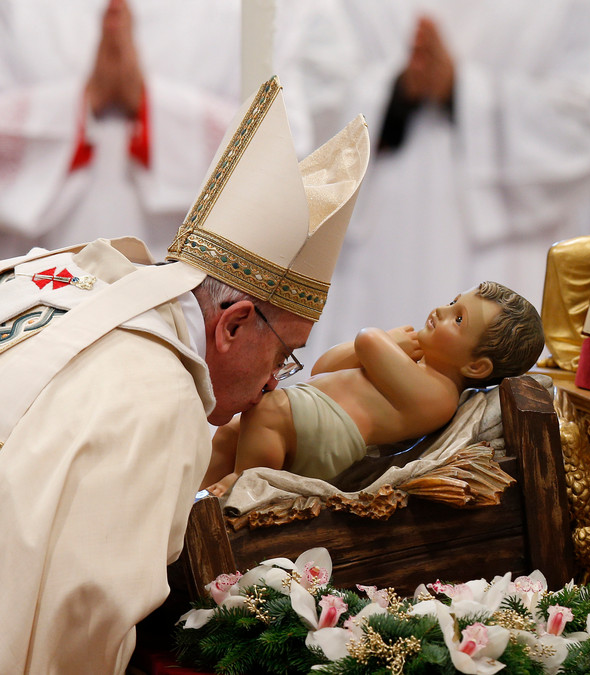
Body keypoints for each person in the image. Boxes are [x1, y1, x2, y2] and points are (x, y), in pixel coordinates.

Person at [0, 76, 370, 672]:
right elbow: (85, 613)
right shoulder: (161, 401)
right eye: (282, 356)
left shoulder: (68, 277)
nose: (274, 385)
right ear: (233, 323)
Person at [298, 0, 590, 366]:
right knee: (349, 391)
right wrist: (394, 93)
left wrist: (462, 89)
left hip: (508, 252)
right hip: (377, 242)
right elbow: (301, 87)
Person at [0, 0, 345, 259]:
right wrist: (83, 103)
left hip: (185, 271)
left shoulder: (251, 9)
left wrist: (150, 107)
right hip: (37, 265)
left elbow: (286, 146)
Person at [203, 281, 545, 495]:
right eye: (453, 302)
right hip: (310, 415)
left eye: (458, 319)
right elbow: (325, 366)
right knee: (231, 431)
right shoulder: (414, 364)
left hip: (330, 438)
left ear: (476, 367)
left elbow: (367, 340)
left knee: (265, 411)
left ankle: (248, 481)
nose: (441, 311)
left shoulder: (438, 395)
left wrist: (388, 340)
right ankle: (194, 496)